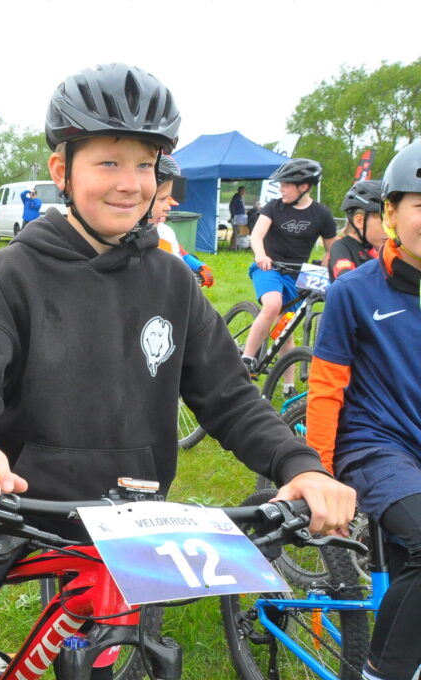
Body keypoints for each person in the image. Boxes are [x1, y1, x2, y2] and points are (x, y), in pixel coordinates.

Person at [0, 63, 355, 680]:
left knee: (99, 668)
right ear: (62, 171)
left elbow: (232, 399)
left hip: (125, 520)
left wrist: (300, 467)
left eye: (145, 165)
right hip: (6, 507)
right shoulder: (13, 272)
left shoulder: (172, 282)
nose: (130, 184)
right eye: (108, 162)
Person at [306, 140, 421, 680]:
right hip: (374, 447)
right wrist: (317, 473)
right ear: (390, 213)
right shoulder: (354, 291)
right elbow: (325, 388)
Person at [241, 159, 337, 382]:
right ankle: (246, 359)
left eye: (286, 185)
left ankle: (288, 384)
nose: (281, 189)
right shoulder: (273, 207)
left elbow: (332, 250)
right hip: (269, 267)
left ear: (303, 187)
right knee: (273, 305)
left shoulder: (321, 214)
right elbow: (257, 235)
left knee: (286, 326)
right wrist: (261, 255)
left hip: (297, 274)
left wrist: (325, 266)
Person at [152, 155, 214, 287]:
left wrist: (199, 265)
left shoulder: (165, 230)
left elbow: (180, 252)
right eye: (162, 200)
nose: (168, 208)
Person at [328, 179, 385, 280]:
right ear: (360, 221)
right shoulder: (341, 247)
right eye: (383, 223)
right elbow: (347, 282)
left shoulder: (378, 247)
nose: (390, 230)